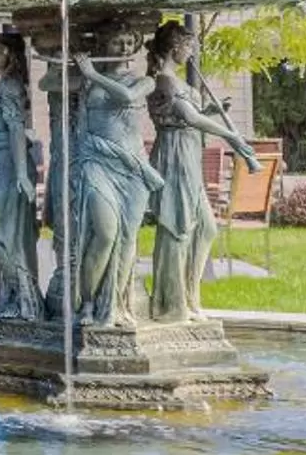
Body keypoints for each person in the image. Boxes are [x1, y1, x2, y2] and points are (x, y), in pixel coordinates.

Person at [146, 19, 257, 323]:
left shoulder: (177, 82)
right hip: (174, 156)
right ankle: (171, 304)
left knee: (205, 227)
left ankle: (191, 297)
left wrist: (211, 111)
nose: (191, 52)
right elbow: (187, 116)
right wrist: (230, 134)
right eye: (189, 46)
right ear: (174, 47)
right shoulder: (164, 80)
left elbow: (190, 116)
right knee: (177, 228)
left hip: (188, 154)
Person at [66, 52, 161, 327]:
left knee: (128, 237)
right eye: (115, 40)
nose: (122, 46)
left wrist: (91, 73)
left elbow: (128, 98)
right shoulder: (85, 82)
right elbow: (48, 86)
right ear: (103, 43)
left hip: (132, 167)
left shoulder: (145, 82)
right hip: (96, 160)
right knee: (106, 234)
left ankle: (114, 306)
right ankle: (87, 303)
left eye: (129, 41)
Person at [0, 31, 44, 322]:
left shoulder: (12, 87)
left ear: (13, 55)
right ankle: (17, 295)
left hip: (11, 166)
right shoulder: (3, 85)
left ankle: (23, 290)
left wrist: (23, 177)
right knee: (3, 232)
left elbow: (16, 130)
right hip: (0, 161)